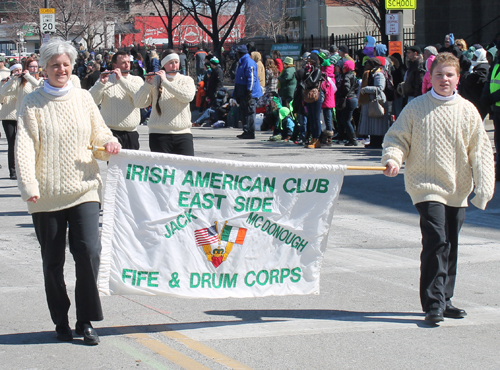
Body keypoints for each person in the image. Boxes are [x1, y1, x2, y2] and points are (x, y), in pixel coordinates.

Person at [15, 38, 121, 344]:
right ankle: (60, 318)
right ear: (45, 68)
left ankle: (85, 319)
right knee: (53, 261)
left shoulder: (84, 98)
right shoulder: (32, 103)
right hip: (45, 194)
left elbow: (99, 133)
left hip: (84, 189)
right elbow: (23, 147)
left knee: (90, 251)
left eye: (65, 64)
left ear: (71, 66)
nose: (61, 69)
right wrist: (28, 186)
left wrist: (108, 143)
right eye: (54, 65)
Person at [382, 52, 495, 323]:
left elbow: (480, 151)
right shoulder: (416, 107)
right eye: (438, 74)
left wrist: (484, 186)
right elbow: (396, 139)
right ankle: (433, 304)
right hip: (425, 184)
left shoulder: (468, 110)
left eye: (449, 75)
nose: (444, 79)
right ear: (429, 77)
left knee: (451, 243)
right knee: (436, 240)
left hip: (456, 186)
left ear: (458, 78)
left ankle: (446, 298)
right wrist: (393, 159)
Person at [134, 49, 196, 155]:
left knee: (185, 169)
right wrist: (147, 85)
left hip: (182, 133)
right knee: (163, 170)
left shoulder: (187, 80)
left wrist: (165, 82)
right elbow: (139, 103)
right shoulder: (155, 80)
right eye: (170, 63)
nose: (174, 66)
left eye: (176, 62)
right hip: (159, 134)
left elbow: (187, 97)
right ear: (164, 65)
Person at [90, 51, 144, 150]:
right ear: (115, 65)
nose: (127, 65)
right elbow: (92, 101)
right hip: (111, 133)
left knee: (130, 165)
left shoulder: (137, 80)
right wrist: (100, 84)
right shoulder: (106, 79)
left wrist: (121, 79)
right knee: (113, 165)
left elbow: (139, 96)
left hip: (130, 132)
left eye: (128, 62)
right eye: (123, 62)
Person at [358, 57, 389, 149]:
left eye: (368, 64)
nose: (366, 66)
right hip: (371, 100)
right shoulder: (372, 74)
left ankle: (377, 142)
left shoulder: (379, 75)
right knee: (372, 123)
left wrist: (366, 89)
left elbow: (380, 88)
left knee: (377, 123)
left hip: (377, 101)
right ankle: (373, 141)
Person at [233, 45, 263, 140]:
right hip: (242, 92)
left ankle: (250, 132)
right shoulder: (241, 62)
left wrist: (249, 91)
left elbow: (252, 78)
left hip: (250, 93)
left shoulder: (249, 63)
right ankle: (246, 130)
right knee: (244, 112)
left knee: (250, 113)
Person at [0, 62, 20, 179]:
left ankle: (21, 169)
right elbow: (1, 98)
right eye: (15, 71)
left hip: (21, 115)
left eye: (19, 70)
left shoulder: (24, 82)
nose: (17, 73)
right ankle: (12, 171)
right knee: (11, 142)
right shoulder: (7, 82)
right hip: (8, 115)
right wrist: (5, 83)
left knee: (20, 143)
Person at [336, 60, 359, 146]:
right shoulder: (353, 75)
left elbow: (346, 87)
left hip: (348, 99)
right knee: (346, 120)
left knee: (346, 120)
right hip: (353, 99)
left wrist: (343, 94)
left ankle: (353, 140)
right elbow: (356, 88)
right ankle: (351, 139)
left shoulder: (346, 76)